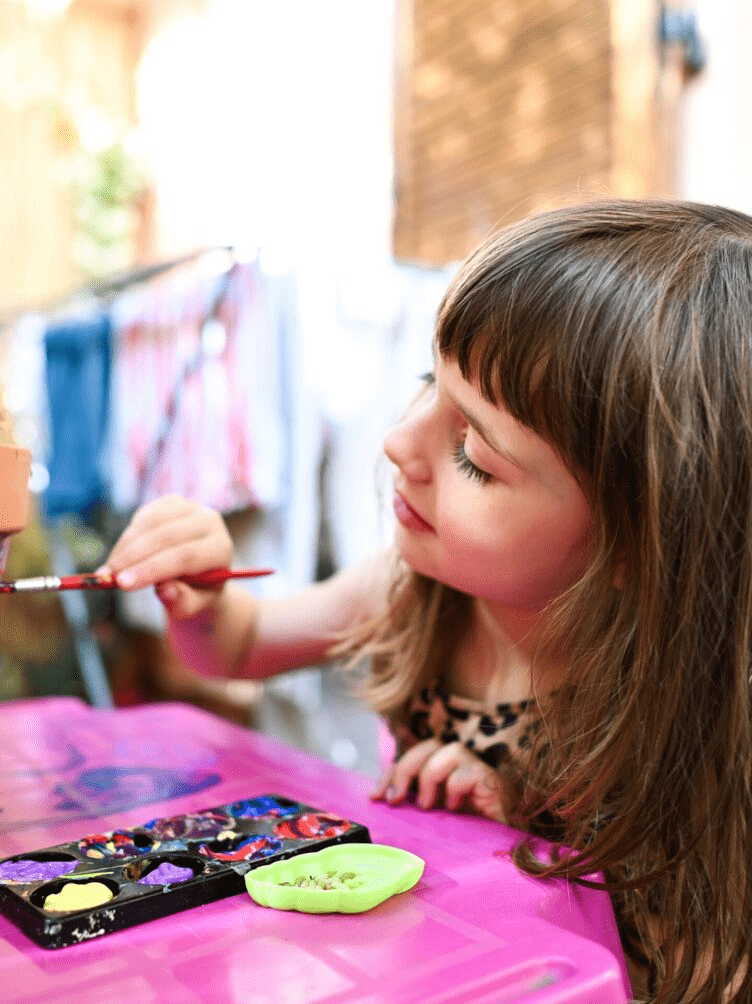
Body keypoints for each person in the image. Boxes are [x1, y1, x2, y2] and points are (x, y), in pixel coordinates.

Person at [99, 199, 752, 1003]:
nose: (398, 443)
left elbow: (698, 969)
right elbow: (236, 651)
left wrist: (523, 827)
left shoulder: (690, 716)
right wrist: (199, 600)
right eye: (425, 386)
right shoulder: (412, 592)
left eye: (474, 453)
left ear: (635, 542)